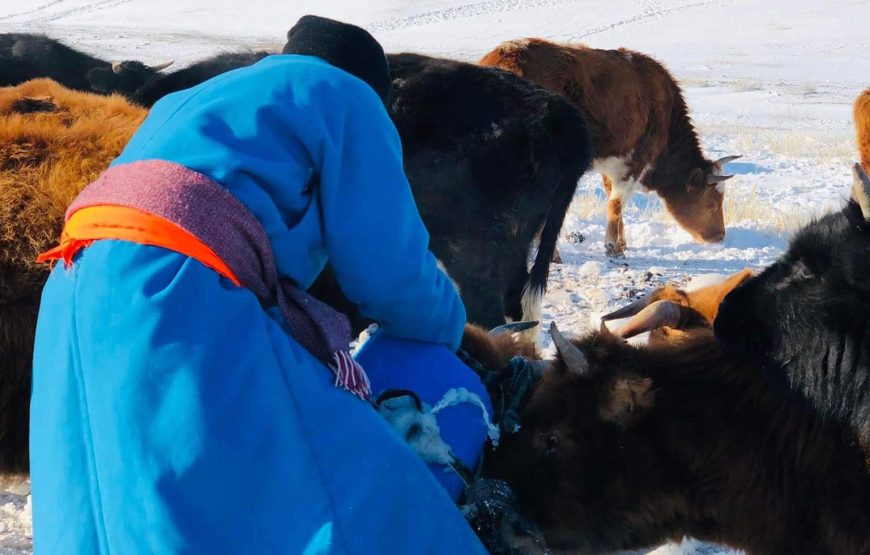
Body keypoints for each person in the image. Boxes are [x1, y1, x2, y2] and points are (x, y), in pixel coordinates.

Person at [31, 15, 490, 554]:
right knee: (342, 480)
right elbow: (389, 271)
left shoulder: (196, 97)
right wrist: (454, 328)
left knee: (122, 496)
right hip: (178, 288)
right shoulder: (347, 95)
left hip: (74, 284)